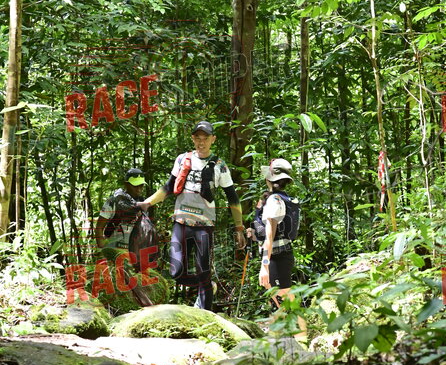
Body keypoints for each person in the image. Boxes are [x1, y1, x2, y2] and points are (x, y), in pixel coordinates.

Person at [137, 121, 245, 310]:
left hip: (204, 225)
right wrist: (147, 202)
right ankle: (207, 286)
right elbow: (168, 187)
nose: (201, 142)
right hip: (181, 222)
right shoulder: (182, 159)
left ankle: (206, 313)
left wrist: (239, 228)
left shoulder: (220, 166)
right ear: (193, 138)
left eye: (205, 138)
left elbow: (232, 198)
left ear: (213, 139)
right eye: (197, 138)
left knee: (203, 271)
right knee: (176, 272)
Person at [253, 158, 300, 310]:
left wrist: (264, 266)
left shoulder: (274, 200)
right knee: (282, 302)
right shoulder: (282, 198)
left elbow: (270, 235)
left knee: (283, 303)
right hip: (281, 254)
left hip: (276, 257)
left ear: (269, 178)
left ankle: (299, 324)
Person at [95, 168, 148, 265]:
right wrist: (102, 249)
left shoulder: (142, 204)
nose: (138, 189)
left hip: (132, 253)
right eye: (135, 186)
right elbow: (99, 227)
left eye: (141, 185)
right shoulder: (114, 201)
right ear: (126, 184)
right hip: (113, 250)